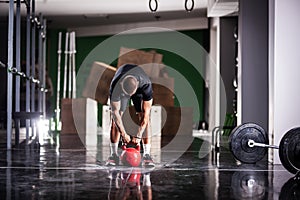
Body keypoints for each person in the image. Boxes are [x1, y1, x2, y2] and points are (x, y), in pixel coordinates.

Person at [106, 64, 154, 167]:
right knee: (116, 119)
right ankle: (113, 155)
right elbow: (115, 112)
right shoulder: (116, 85)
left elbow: (146, 116)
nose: (130, 97)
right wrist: (123, 134)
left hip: (139, 91)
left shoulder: (146, 85)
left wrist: (138, 135)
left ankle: (147, 155)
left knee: (144, 116)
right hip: (121, 91)